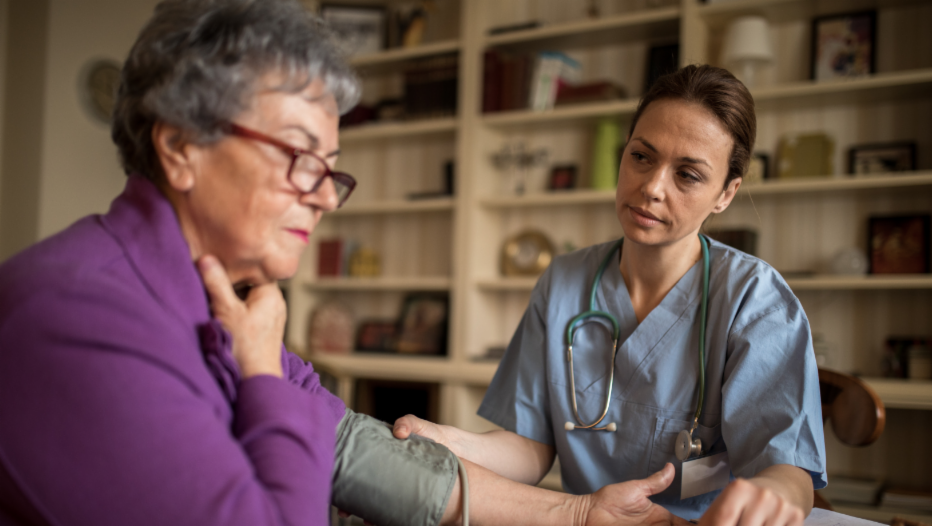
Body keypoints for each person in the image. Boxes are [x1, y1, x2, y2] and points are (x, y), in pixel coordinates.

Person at [0, 1, 692, 525]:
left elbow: (346, 447)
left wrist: (577, 514)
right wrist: (264, 371)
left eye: (331, 170)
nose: (325, 198)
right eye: (300, 158)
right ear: (181, 146)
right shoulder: (75, 314)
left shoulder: (225, 297)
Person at [394, 65, 828, 526]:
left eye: (688, 175)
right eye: (642, 157)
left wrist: (774, 490)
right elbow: (532, 446)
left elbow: (788, 469)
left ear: (726, 193)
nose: (652, 188)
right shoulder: (562, 281)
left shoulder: (753, 299)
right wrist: (452, 442)